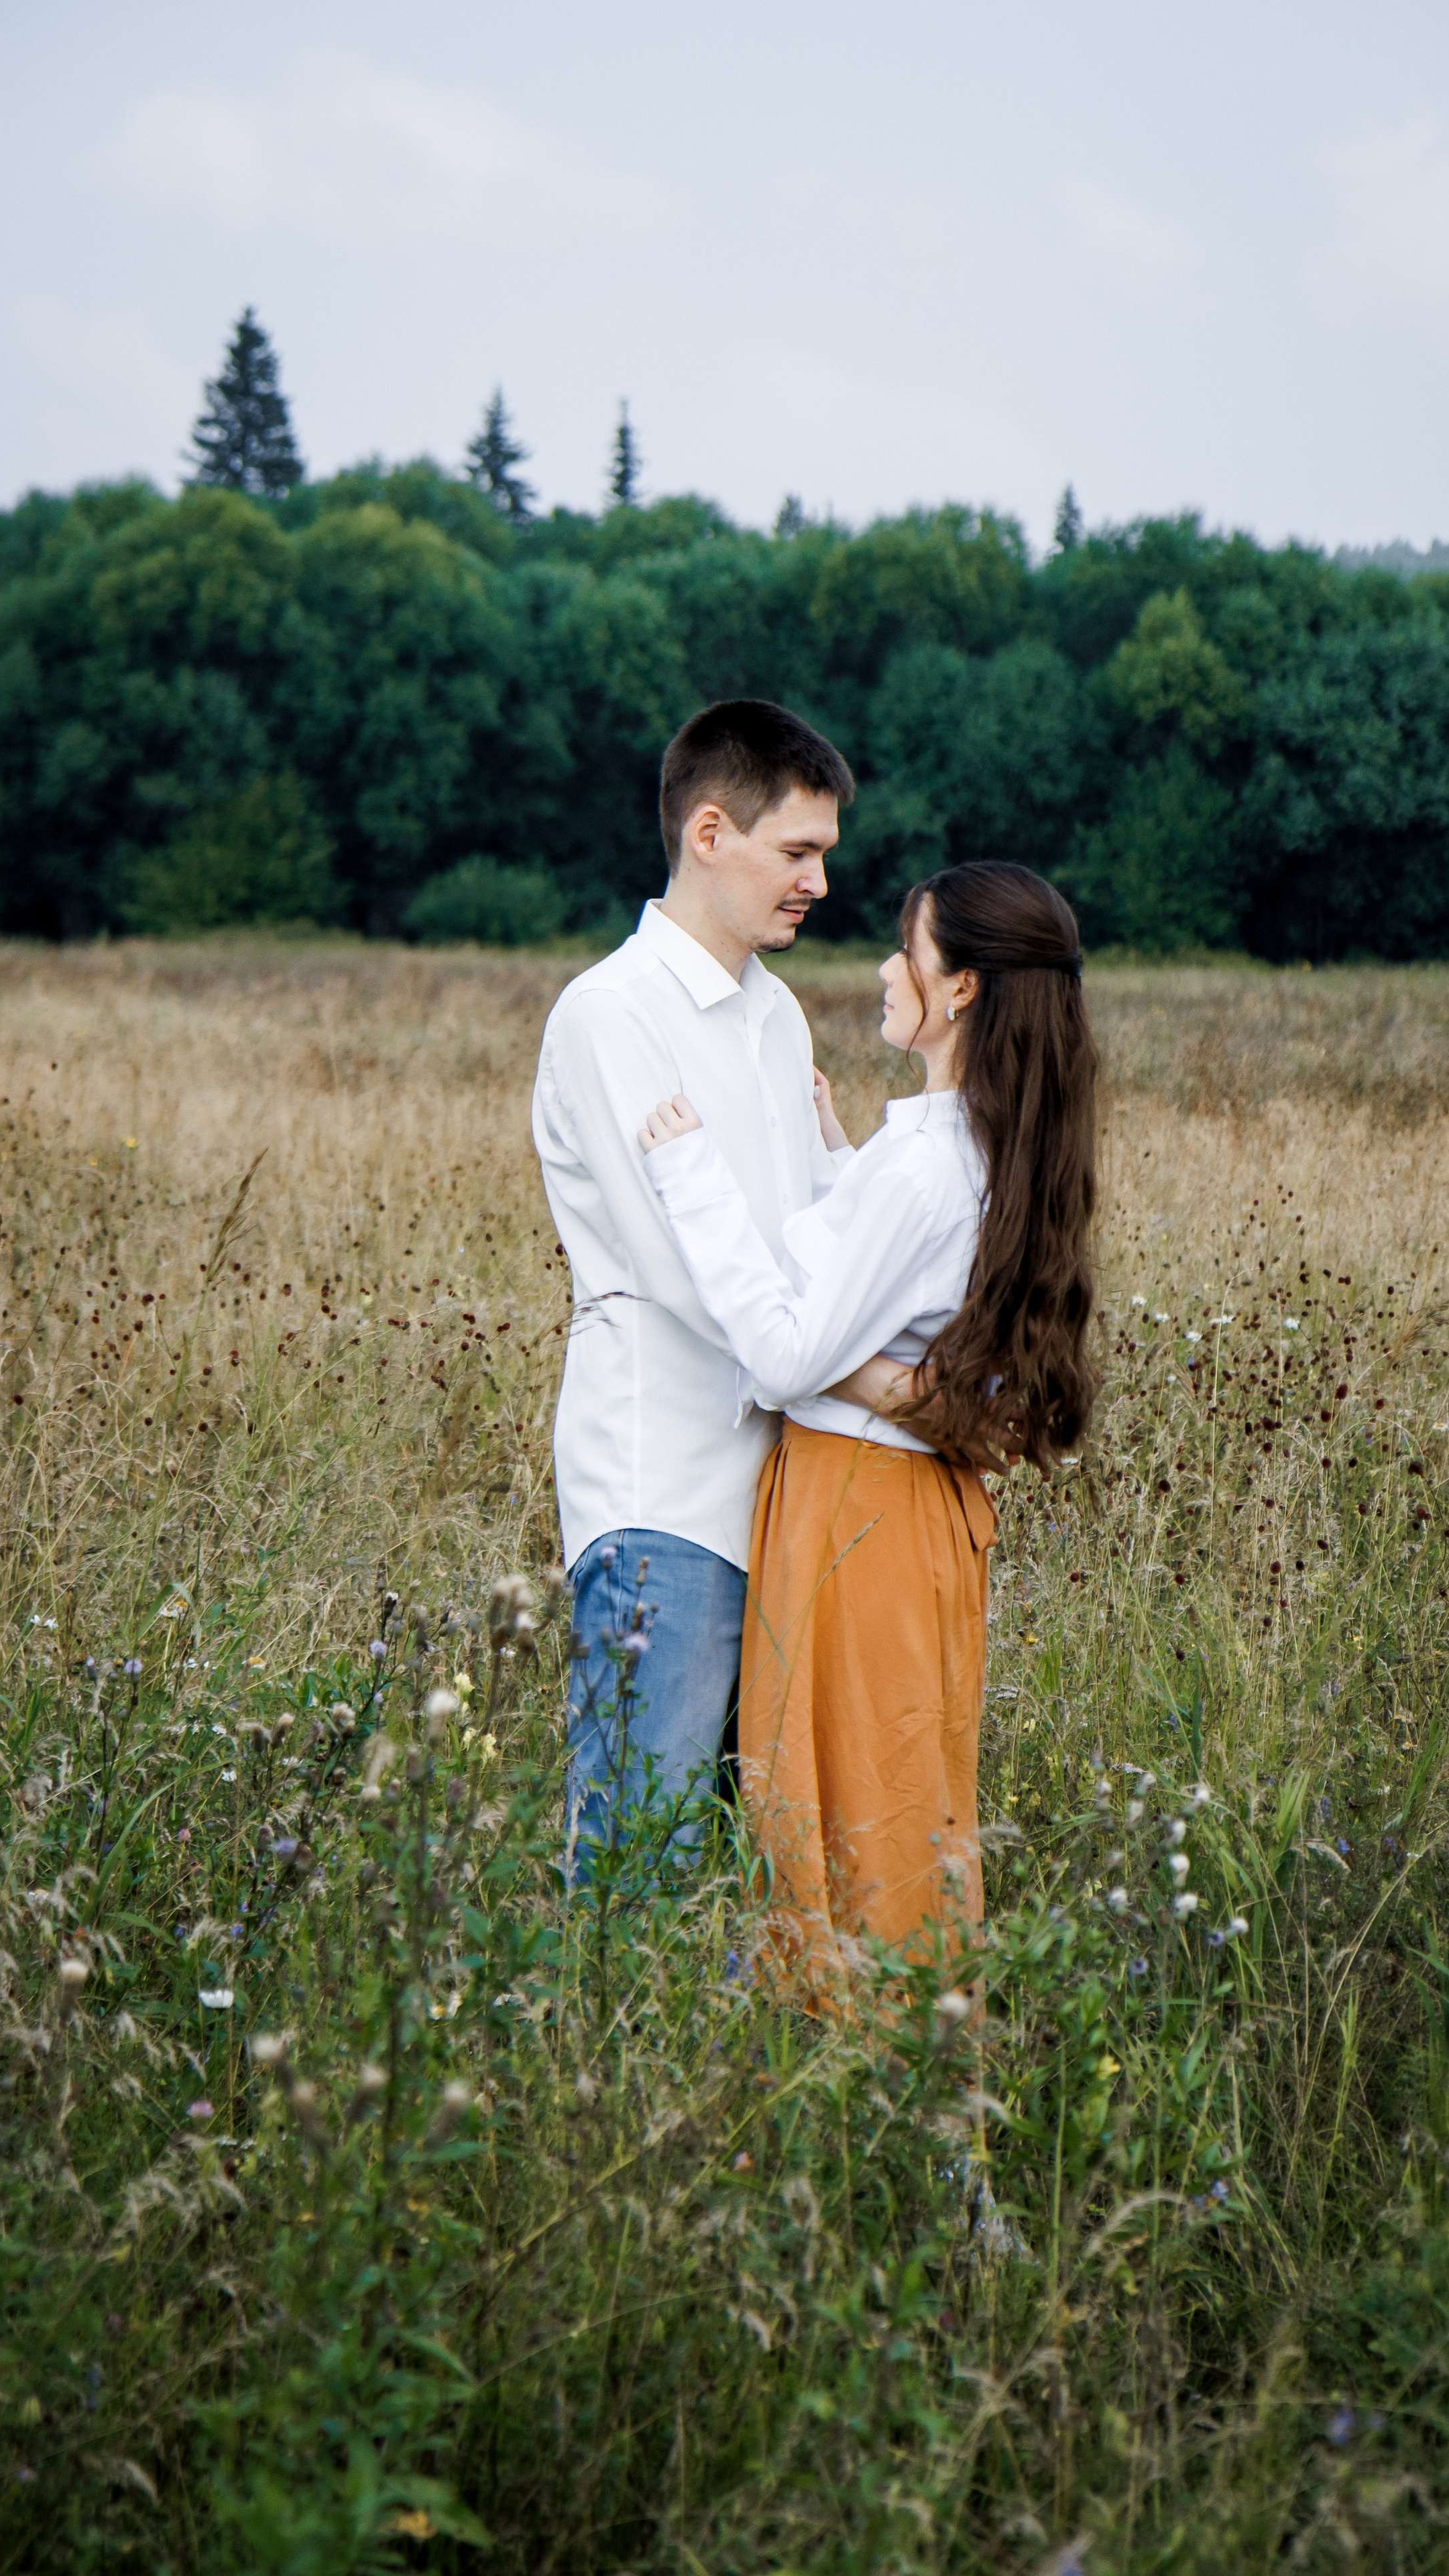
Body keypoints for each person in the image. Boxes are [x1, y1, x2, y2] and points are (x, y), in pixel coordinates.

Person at [638, 862, 1097, 1993]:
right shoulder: (979, 1145)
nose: (890, 967)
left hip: (859, 1516)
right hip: (914, 1514)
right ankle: (907, 2073)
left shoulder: (928, 1166)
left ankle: (880, 2077)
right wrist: (839, 1163)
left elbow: (784, 1353)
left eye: (910, 948)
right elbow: (905, 1282)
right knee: (904, 1811)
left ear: (963, 989)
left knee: (851, 1830)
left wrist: (690, 1176)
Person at [532, 699, 856, 1869]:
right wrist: (844, 1352)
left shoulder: (776, 1015)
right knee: (639, 1871)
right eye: (798, 851)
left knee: (746, 1878)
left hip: (779, 1500)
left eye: (824, 854)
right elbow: (681, 1269)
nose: (819, 882)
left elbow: (817, 1241)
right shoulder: (611, 1013)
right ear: (710, 832)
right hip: (660, 1499)